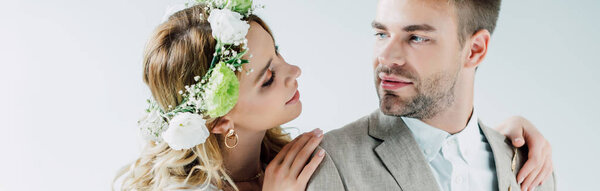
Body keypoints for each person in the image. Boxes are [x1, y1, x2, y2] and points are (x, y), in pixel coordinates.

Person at [116, 1, 553, 190]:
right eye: (268, 79)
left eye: (279, 54)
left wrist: (493, 140)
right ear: (220, 122)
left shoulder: (293, 162)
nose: (294, 72)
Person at [307, 0, 555, 191]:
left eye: (416, 38)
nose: (386, 57)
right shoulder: (325, 162)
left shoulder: (532, 167)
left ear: (475, 50)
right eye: (382, 34)